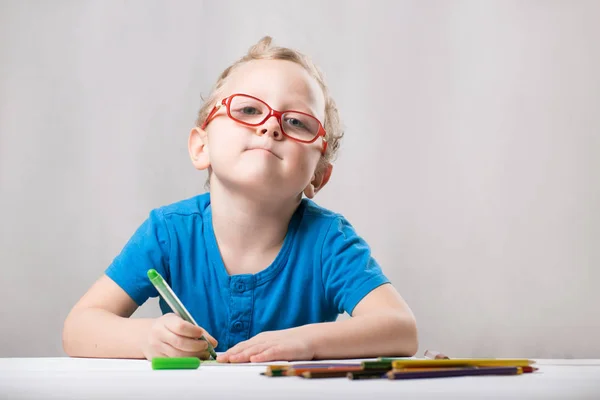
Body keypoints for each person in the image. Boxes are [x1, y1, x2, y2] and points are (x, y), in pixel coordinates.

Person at [62, 36, 418, 363]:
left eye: (296, 122)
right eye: (248, 110)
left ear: (317, 176)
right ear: (202, 147)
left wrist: (307, 342)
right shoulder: (168, 232)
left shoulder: (329, 241)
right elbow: (78, 329)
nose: (270, 126)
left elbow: (401, 328)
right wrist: (147, 338)